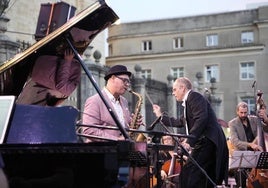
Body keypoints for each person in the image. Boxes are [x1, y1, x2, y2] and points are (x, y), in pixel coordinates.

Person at [152, 77, 229, 188]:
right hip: (206, 142)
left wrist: (189, 140)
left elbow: (201, 118)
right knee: (198, 176)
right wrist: (160, 116)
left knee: (190, 174)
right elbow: (179, 121)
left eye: (174, 89)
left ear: (182, 88)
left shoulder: (194, 97)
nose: (173, 93)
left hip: (207, 141)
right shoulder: (189, 102)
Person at [229, 102, 265, 188]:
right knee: (241, 183)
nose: (243, 115)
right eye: (241, 113)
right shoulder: (233, 123)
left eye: (245, 112)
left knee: (257, 184)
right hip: (241, 157)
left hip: (255, 156)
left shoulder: (254, 120)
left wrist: (264, 116)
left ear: (247, 111)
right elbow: (235, 141)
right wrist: (251, 145)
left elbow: (265, 128)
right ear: (237, 112)